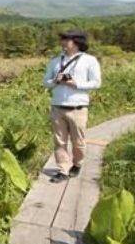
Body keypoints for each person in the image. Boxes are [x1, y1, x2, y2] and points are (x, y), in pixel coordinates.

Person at [43, 29, 102, 183]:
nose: (62, 42)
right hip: (57, 107)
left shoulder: (89, 60)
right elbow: (45, 82)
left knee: (78, 142)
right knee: (59, 142)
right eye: (62, 39)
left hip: (78, 108)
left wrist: (75, 84)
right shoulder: (55, 61)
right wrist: (56, 81)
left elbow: (96, 82)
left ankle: (77, 164)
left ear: (76, 42)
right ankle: (62, 170)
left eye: (66, 39)